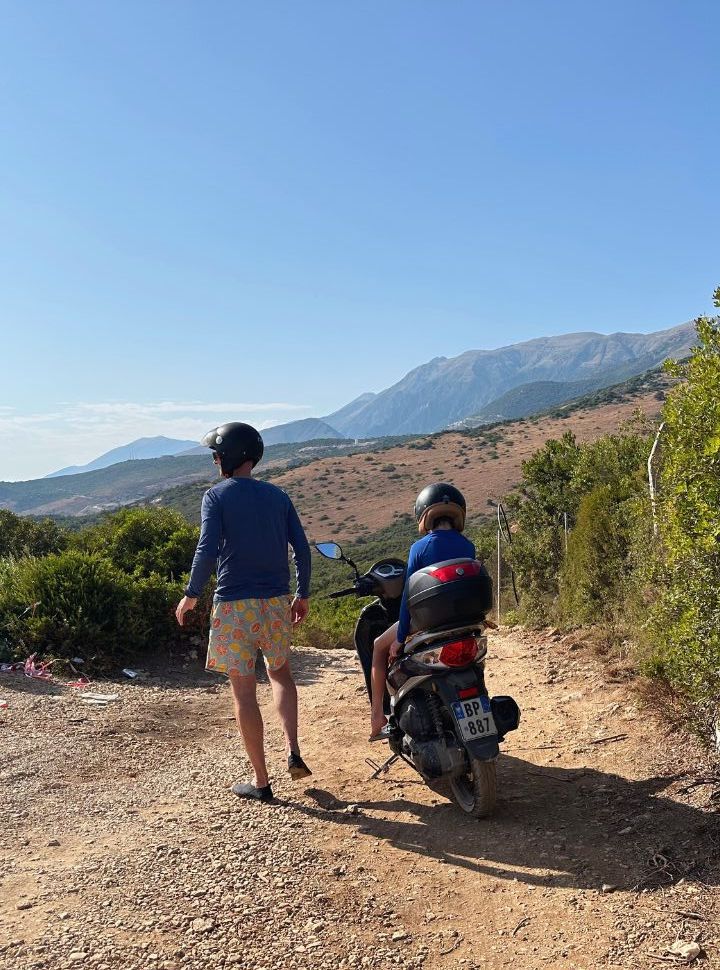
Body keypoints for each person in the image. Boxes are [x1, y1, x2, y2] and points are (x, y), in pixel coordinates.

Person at [175, 422, 312, 803]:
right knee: (281, 674)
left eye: (216, 455)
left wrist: (191, 595)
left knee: (244, 693)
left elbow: (206, 549)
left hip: (234, 605)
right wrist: (302, 594)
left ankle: (261, 781)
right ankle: (293, 749)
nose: (215, 460)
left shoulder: (215, 496)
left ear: (227, 458)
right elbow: (301, 548)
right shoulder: (278, 496)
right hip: (275, 603)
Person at [369, 482, 475, 740]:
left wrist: (400, 637)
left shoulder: (419, 548)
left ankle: (376, 719)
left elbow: (407, 598)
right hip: (464, 620)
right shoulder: (468, 546)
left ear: (425, 516)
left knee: (378, 646)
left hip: (427, 623)